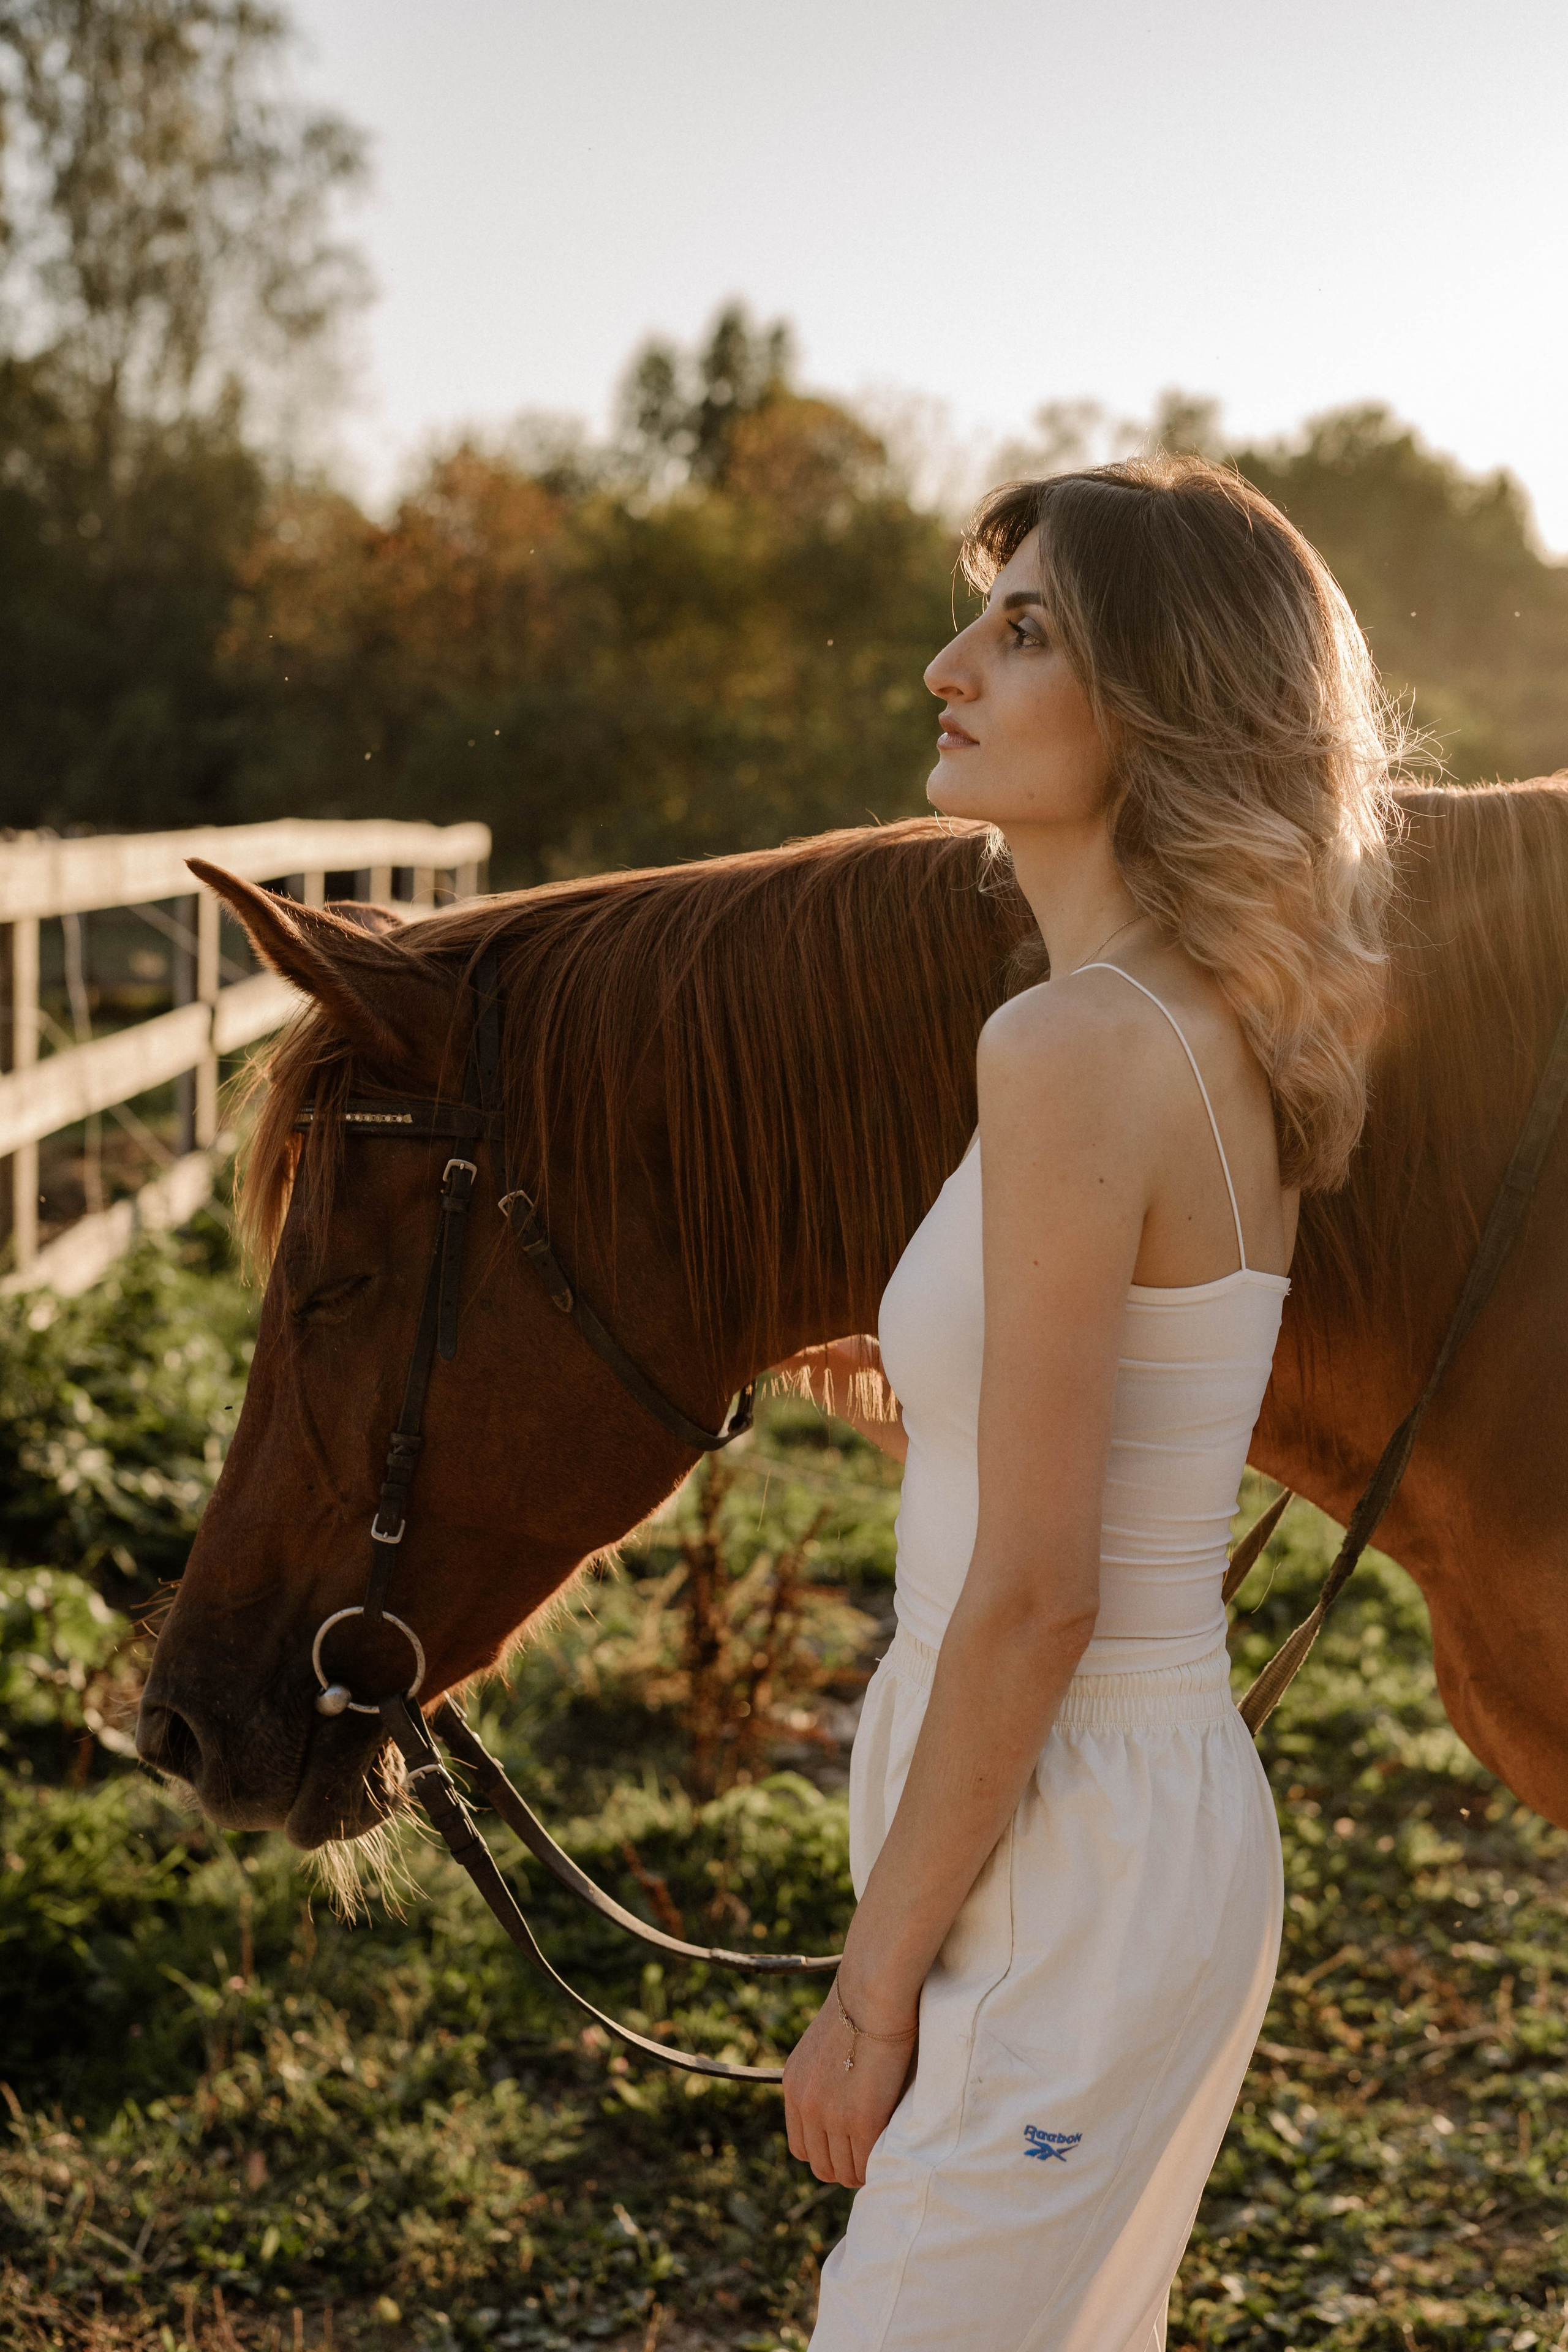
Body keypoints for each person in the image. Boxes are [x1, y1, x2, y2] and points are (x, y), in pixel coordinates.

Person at [776, 456, 1396, 2352]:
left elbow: (1043, 1598)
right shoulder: (1202, 1013)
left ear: (1166, 701)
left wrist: (868, 1993)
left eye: (1025, 629)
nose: (953, 662)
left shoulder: (1067, 1046)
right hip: (1135, 1808)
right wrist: (925, 1408)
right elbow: (1139, 1461)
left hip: (1065, 1821)